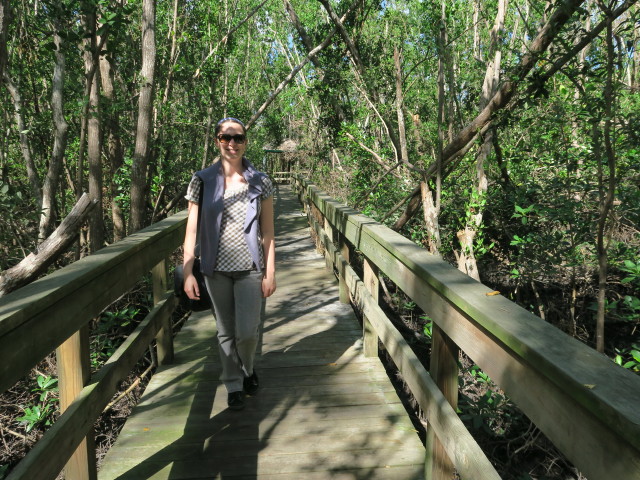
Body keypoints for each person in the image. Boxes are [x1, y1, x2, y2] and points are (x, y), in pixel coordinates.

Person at [182, 117, 276, 411]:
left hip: (250, 268)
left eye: (238, 138)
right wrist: (187, 271)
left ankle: (248, 368)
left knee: (247, 332)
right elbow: (192, 230)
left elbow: (269, 231)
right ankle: (233, 382)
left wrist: (270, 271)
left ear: (246, 142)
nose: (232, 143)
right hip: (215, 269)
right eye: (226, 138)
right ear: (217, 141)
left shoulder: (260, 181)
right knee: (225, 331)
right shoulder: (202, 180)